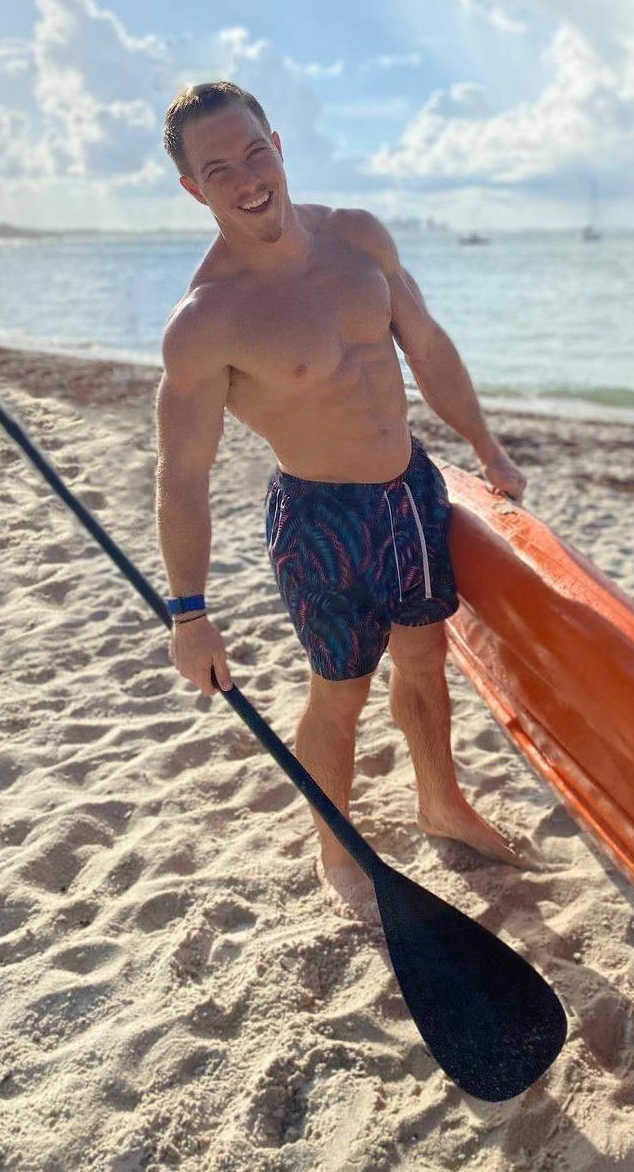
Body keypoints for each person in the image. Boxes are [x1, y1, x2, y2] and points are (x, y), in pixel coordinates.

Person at [155, 81, 530, 918]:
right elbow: (182, 473)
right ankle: (338, 849)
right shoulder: (206, 320)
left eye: (255, 151)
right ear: (193, 189)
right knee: (342, 688)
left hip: (409, 492)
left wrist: (488, 448)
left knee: (427, 661)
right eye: (219, 169)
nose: (248, 177)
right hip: (319, 520)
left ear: (279, 144)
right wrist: (190, 612)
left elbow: (427, 349)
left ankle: (442, 804)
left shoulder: (359, 238)